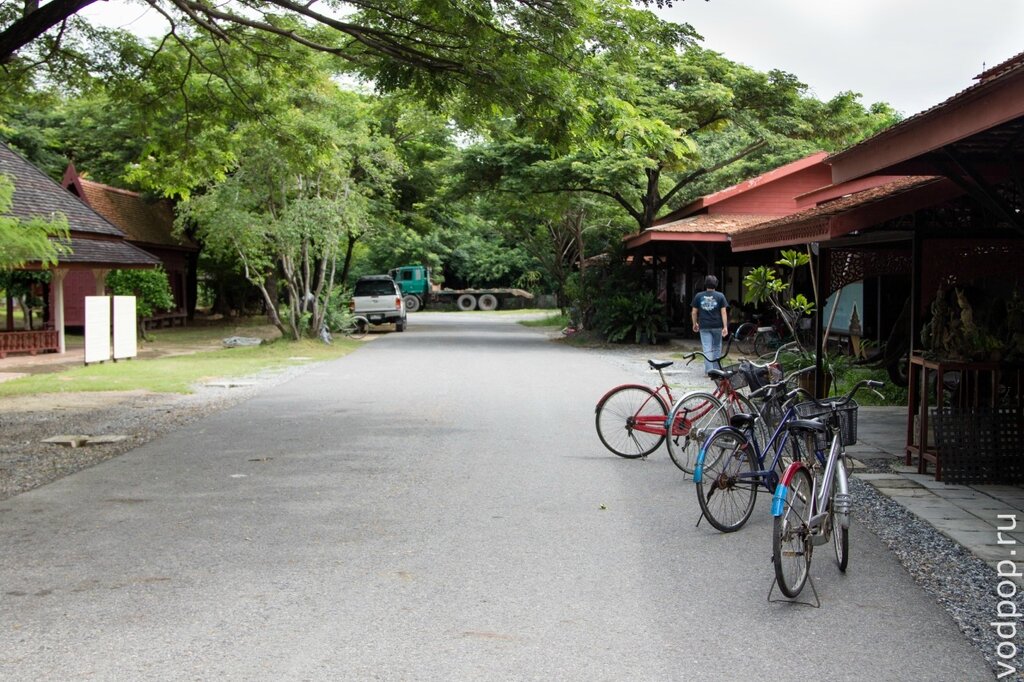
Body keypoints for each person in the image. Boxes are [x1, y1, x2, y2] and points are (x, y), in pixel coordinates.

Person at [691, 275, 729, 374]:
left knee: (707, 348)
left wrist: (694, 323)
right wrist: (725, 327)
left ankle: (709, 371)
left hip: (704, 325)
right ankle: (716, 370)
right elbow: (724, 312)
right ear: (716, 284)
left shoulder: (699, 296)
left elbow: (694, 312)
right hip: (717, 325)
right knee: (717, 347)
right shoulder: (720, 296)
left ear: (705, 284)